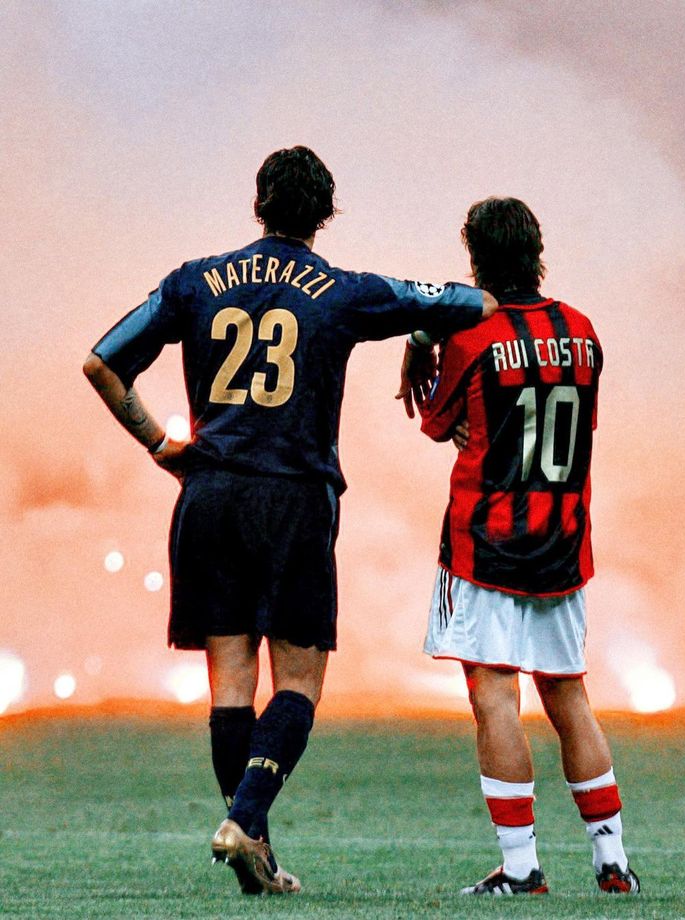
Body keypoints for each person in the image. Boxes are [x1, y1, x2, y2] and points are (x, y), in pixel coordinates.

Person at [83, 146, 496, 896]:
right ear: (325, 214)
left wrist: (161, 446)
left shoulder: (195, 280)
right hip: (295, 500)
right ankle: (244, 822)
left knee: (231, 685)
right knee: (300, 681)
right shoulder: (343, 290)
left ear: (258, 204)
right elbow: (470, 304)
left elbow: (103, 364)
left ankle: (258, 855)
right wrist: (416, 340)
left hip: (208, 497)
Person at [400, 196, 639, 896]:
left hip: (487, 543)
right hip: (563, 541)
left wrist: (424, 344)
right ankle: (611, 859)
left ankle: (522, 866)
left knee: (494, 697)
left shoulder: (472, 337)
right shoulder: (584, 331)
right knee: (569, 694)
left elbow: (437, 422)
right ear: (537, 249)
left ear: (475, 258)